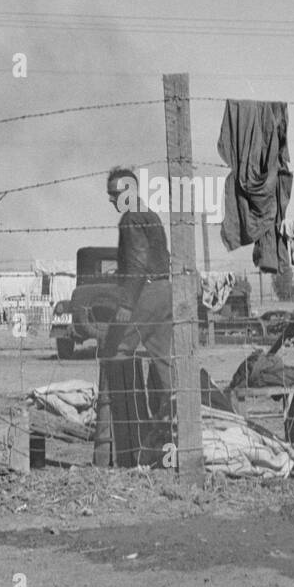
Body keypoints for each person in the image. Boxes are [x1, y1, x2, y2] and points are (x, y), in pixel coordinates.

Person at [101, 166, 173, 446]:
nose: (110, 199)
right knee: (163, 360)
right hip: (165, 291)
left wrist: (127, 304)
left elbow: (138, 263)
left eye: (114, 193)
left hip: (146, 292)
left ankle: (122, 435)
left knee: (115, 351)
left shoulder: (130, 219)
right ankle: (172, 425)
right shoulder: (150, 214)